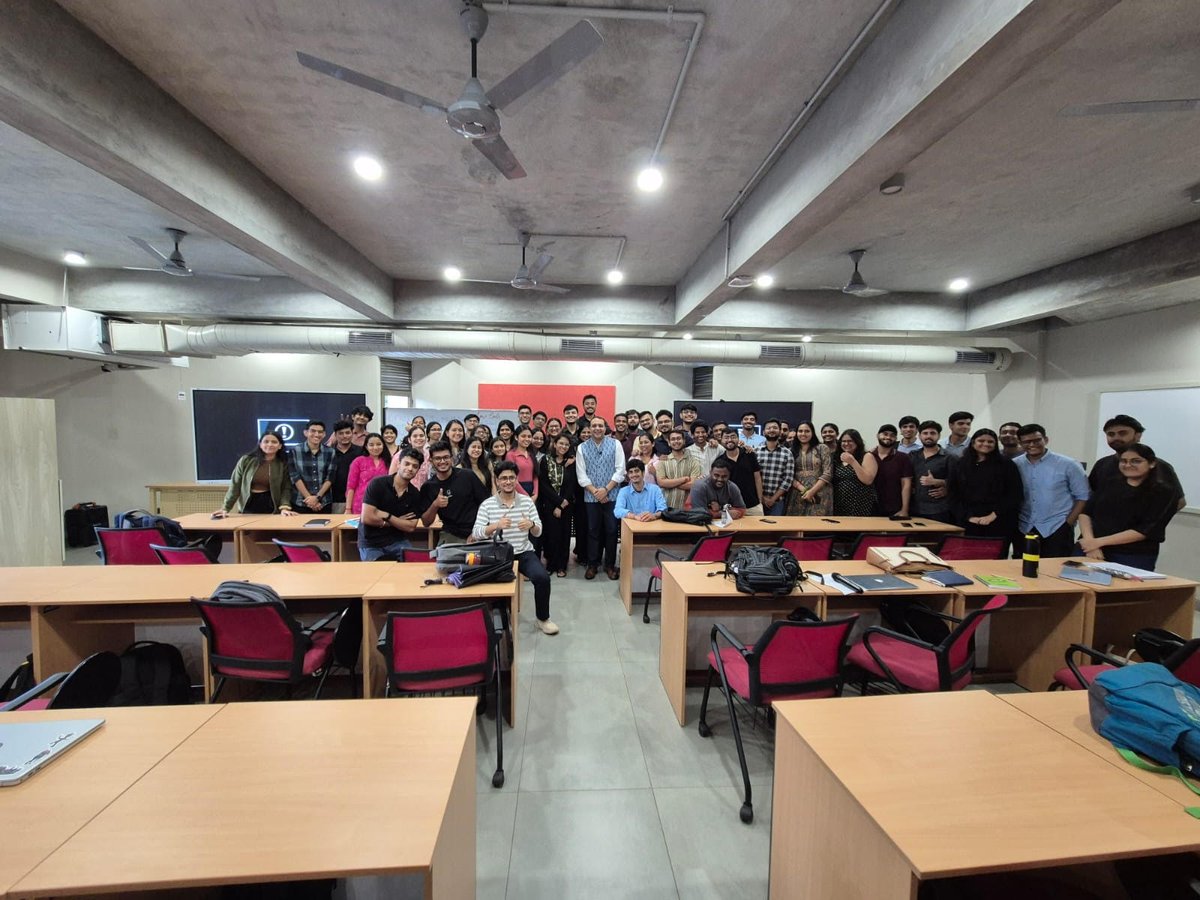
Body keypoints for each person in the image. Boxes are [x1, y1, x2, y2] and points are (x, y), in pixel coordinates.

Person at [474, 461, 558, 635]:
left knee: (542, 578)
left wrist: (531, 524)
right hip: (498, 553)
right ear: (497, 481)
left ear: (516, 479)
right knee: (497, 588)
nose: (508, 481)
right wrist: (495, 526)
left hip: (523, 551)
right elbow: (476, 533)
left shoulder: (526, 502)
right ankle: (499, 621)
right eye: (503, 478)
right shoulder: (487, 504)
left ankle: (543, 619)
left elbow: (538, 531)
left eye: (511, 478)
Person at [1078, 443, 1180, 571]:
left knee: (1124, 585)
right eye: (1123, 461)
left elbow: (1146, 530)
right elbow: (1085, 513)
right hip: (1090, 549)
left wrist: (1098, 542)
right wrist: (1090, 542)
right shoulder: (1110, 483)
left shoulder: (1163, 492)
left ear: (1152, 463)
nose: (1128, 465)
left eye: (1136, 461)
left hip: (1132, 554)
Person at [1012, 424, 1089, 557]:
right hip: (1024, 526)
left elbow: (1083, 496)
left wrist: (1068, 523)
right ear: (1020, 443)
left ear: (1046, 440)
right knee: (1023, 566)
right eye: (1027, 442)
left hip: (1057, 526)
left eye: (1037, 440)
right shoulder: (1015, 464)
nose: (1032, 444)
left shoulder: (1069, 464)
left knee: (1055, 567)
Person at [1089, 415, 1186, 511]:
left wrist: (1151, 520)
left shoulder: (1159, 466)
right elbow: (1091, 496)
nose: (1116, 438)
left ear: (1138, 436)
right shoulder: (1102, 464)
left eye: (1122, 433)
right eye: (1111, 434)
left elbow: (1179, 502)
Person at [575, 416, 626, 580]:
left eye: (600, 425)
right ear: (589, 428)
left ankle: (610, 565)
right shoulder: (582, 448)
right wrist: (596, 492)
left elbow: (620, 470)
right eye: (594, 426)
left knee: (611, 530)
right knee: (593, 530)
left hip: (612, 495)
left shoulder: (615, 444)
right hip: (591, 497)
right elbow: (581, 475)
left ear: (605, 428)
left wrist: (606, 490)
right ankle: (593, 564)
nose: (597, 428)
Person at [949, 428, 1022, 541]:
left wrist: (993, 515)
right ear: (973, 443)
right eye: (981, 441)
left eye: (990, 442)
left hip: (999, 520)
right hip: (967, 520)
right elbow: (953, 493)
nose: (986, 444)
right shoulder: (960, 464)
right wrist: (968, 517)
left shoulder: (1006, 464)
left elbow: (1014, 494)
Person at [358, 448, 428, 560]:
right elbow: (366, 518)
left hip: (397, 540)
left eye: (415, 466)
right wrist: (398, 521)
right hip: (371, 542)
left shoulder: (415, 494)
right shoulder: (378, 484)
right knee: (377, 568)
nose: (410, 468)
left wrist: (388, 516)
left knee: (413, 562)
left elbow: (410, 527)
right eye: (407, 464)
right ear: (399, 464)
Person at [420, 440, 488, 544]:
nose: (442, 461)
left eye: (446, 457)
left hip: (476, 530)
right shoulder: (428, 486)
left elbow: (486, 504)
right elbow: (426, 522)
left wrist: (477, 531)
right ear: (431, 460)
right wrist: (435, 505)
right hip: (451, 534)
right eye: (438, 458)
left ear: (451, 458)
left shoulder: (467, 475)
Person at [215, 431, 296, 516]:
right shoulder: (246, 460)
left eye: (274, 442)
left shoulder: (283, 464)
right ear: (260, 444)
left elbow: (286, 488)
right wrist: (225, 508)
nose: (270, 444)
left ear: (280, 446)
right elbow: (235, 485)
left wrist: (284, 507)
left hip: (271, 505)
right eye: (266, 441)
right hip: (248, 504)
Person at [538, 434, 577, 577]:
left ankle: (562, 565)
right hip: (549, 503)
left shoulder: (571, 462)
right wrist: (558, 502)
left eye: (566, 444)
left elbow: (572, 484)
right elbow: (543, 484)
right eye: (561, 443)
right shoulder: (546, 460)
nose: (563, 447)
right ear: (555, 444)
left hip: (566, 504)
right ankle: (551, 564)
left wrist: (561, 505)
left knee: (564, 535)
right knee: (551, 535)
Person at [910, 420, 955, 524]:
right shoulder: (912, 456)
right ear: (919, 436)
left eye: (932, 433)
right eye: (925, 433)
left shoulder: (949, 457)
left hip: (939, 509)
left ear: (939, 436)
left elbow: (960, 482)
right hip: (914, 508)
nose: (928, 436)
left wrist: (940, 482)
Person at [786, 421, 832, 516]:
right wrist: (804, 490)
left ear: (812, 433)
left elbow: (827, 473)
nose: (803, 434)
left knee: (817, 523)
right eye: (800, 431)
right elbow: (788, 474)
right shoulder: (791, 451)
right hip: (798, 493)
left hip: (820, 492)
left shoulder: (822, 448)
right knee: (797, 523)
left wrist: (812, 491)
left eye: (807, 431)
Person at [289, 420, 335, 512]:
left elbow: (330, 477)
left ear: (324, 434)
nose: (317, 434)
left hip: (323, 503)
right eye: (313, 431)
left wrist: (317, 498)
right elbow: (295, 477)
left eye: (320, 432)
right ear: (305, 433)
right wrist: (310, 499)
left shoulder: (330, 452)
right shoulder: (295, 451)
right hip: (301, 502)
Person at [869, 425, 914, 518]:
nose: (888, 437)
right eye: (885, 434)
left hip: (894, 508)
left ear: (896, 438)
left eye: (892, 435)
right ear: (877, 435)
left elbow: (906, 484)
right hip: (870, 507)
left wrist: (904, 510)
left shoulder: (903, 457)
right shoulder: (869, 456)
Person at [832, 429, 878, 517]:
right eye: (843, 441)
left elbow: (867, 480)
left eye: (850, 441)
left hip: (860, 503)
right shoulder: (837, 458)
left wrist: (853, 462)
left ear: (857, 442)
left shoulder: (867, 456)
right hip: (840, 503)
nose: (846, 443)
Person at [344, 432, 392, 516]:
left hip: (383, 504)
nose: (375, 447)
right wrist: (348, 509)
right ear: (366, 446)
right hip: (360, 504)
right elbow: (351, 487)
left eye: (378, 444)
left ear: (383, 445)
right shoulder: (358, 461)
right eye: (371, 445)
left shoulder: (388, 462)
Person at [719, 429, 764, 515]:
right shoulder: (720, 461)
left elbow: (757, 478)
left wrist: (760, 500)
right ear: (721, 440)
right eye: (726, 437)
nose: (729, 440)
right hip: (732, 507)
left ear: (738, 439)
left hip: (753, 505)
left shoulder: (749, 454)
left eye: (733, 437)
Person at [655, 428, 701, 508]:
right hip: (666, 508)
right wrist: (683, 479)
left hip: (687, 510)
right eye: (673, 439)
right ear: (669, 443)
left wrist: (669, 483)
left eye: (678, 438)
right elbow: (661, 483)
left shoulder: (694, 462)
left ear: (684, 441)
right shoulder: (663, 462)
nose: (676, 441)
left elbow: (693, 485)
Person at [757, 419, 794, 515]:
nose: (772, 430)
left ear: (780, 431)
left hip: (777, 501)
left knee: (776, 524)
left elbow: (788, 479)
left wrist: (773, 499)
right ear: (763, 432)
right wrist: (762, 497)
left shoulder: (787, 453)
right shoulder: (755, 451)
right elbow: (752, 477)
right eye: (768, 428)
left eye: (775, 428)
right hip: (758, 500)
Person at [328, 419, 365, 513]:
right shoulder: (329, 452)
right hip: (334, 500)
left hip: (357, 499)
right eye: (341, 433)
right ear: (335, 435)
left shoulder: (361, 452)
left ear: (352, 433)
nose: (344, 436)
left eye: (347, 433)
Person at [391, 424, 430, 489]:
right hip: (404, 491)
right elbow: (391, 476)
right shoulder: (400, 455)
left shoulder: (429, 455)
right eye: (415, 436)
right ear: (409, 440)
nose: (418, 438)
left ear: (426, 438)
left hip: (424, 492)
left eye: (421, 436)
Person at [505, 425, 539, 499]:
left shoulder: (531, 454)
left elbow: (535, 475)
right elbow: (512, 478)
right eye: (523, 436)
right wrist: (526, 496)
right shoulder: (511, 455)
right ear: (516, 437)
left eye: (529, 436)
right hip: (517, 491)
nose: (527, 439)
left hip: (532, 491)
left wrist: (535, 494)